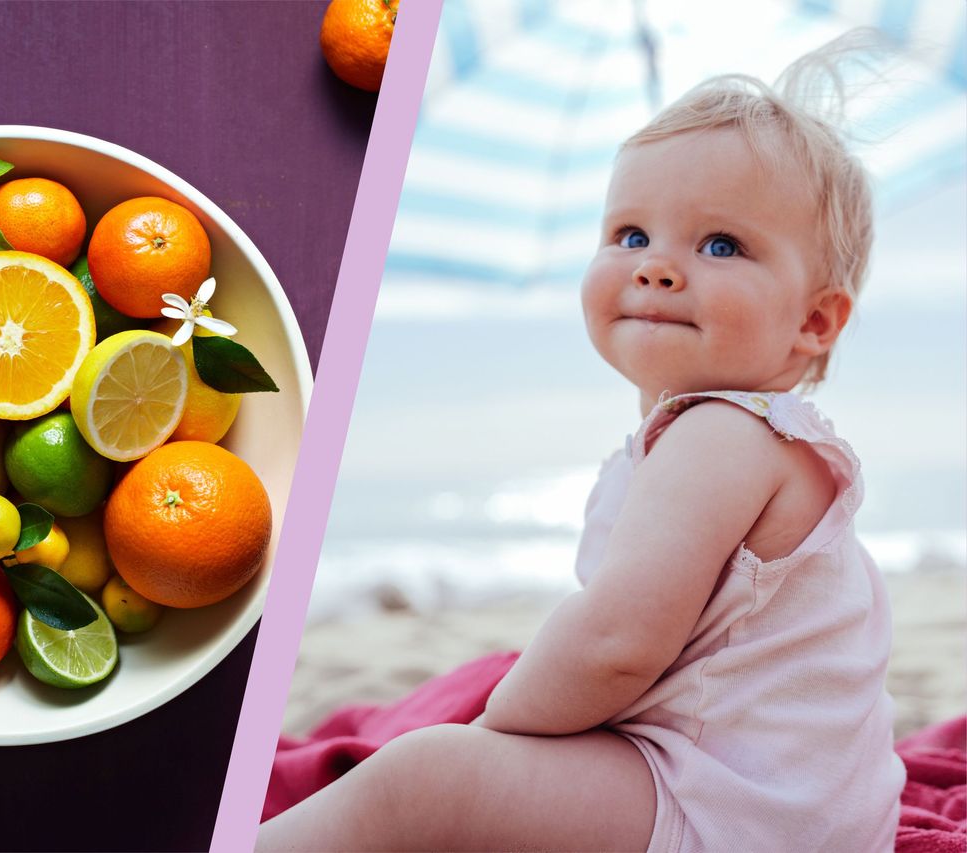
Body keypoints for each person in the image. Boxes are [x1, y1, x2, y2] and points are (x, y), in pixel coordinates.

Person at [258, 37, 907, 853]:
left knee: (425, 778)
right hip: (773, 799)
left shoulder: (722, 435)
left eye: (720, 245)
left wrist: (496, 731)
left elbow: (612, 646)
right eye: (631, 234)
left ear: (813, 321)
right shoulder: (729, 439)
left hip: (737, 813)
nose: (659, 267)